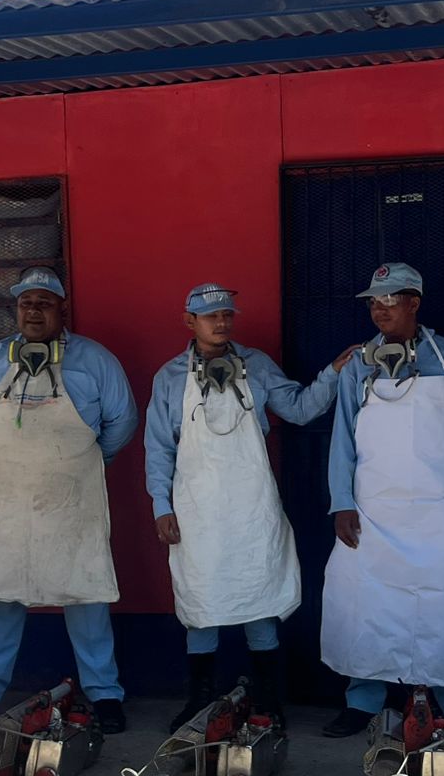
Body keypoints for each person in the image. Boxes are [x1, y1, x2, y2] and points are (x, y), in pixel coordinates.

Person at [144, 283, 354, 731]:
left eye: (226, 315)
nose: (221, 322)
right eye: (210, 316)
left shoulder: (256, 366)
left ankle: (268, 701)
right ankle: (198, 700)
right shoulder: (168, 378)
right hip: (196, 509)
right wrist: (161, 505)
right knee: (200, 603)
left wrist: (333, 373)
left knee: (259, 599)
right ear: (190, 322)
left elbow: (298, 409)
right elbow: (158, 448)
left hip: (250, 506)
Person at [0, 266, 139, 735]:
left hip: (73, 497)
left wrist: (81, 463)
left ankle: (105, 694)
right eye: (25, 302)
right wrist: (19, 459)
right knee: (1, 592)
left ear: (63, 308)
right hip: (8, 497)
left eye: (43, 301)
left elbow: (122, 421)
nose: (33, 310)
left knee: (86, 593)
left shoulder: (96, 361)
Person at [320, 263, 444, 741]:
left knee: (442, 607)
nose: (379, 309)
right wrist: (341, 501)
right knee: (365, 604)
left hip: (436, 511)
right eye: (373, 301)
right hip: (373, 509)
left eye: (389, 300)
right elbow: (343, 440)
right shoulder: (359, 363)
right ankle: (362, 701)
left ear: (414, 303)